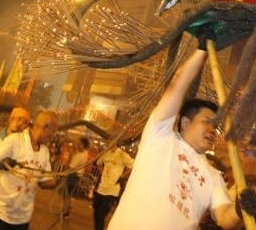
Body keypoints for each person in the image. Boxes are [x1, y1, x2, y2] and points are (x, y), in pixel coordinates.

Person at [108, 48, 242, 229]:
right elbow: (177, 84)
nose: (213, 130)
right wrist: (202, 49)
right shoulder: (160, 137)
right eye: (207, 122)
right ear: (185, 122)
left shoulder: (214, 176)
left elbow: (225, 218)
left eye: (216, 127)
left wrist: (240, 209)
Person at [0, 110, 58, 229]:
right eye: (51, 134)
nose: (51, 138)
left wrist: (58, 181)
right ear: (44, 127)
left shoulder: (45, 152)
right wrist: (3, 165)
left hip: (22, 220)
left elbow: (44, 182)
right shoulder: (15, 140)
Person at [93, 143, 134, 230]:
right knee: (96, 214)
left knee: (101, 215)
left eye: (111, 140)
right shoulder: (106, 153)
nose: (109, 142)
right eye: (109, 140)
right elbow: (98, 163)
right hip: (101, 188)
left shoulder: (121, 154)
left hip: (112, 191)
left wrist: (122, 176)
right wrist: (102, 171)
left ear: (116, 141)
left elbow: (133, 165)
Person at [64, 136, 90, 217]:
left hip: (73, 176)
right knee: (69, 194)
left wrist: (64, 173)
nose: (77, 144)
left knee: (67, 194)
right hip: (77, 176)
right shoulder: (85, 153)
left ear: (82, 144)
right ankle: (68, 208)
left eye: (79, 143)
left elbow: (71, 167)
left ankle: (66, 211)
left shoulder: (79, 155)